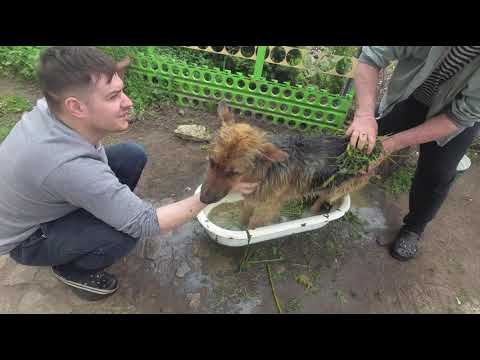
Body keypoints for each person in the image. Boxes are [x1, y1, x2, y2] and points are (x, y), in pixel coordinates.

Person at [0, 46, 257, 300]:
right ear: (76, 107)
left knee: (132, 155)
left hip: (48, 197)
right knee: (125, 234)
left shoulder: (54, 106)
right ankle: (72, 269)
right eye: (113, 97)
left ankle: (94, 222)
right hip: (29, 239)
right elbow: (146, 223)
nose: (128, 102)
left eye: (121, 90)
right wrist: (207, 196)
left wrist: (107, 77)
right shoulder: (69, 166)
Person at [347, 46, 480, 261]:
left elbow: (460, 117)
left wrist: (391, 145)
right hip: (413, 94)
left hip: (454, 114)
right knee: (360, 142)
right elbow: (372, 56)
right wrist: (364, 115)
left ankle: (414, 228)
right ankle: (330, 187)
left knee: (438, 173)